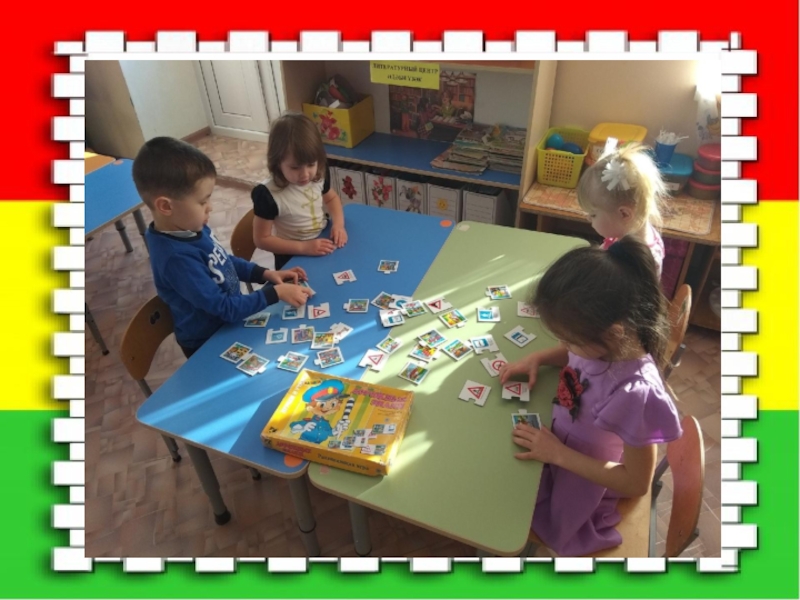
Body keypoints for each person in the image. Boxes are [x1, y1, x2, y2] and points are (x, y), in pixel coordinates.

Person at [500, 237, 682, 556]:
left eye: (569, 339)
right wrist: (539, 358)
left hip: (582, 481)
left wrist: (558, 455)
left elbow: (637, 483)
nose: (566, 346)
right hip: (559, 450)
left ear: (612, 333)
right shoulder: (605, 343)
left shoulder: (636, 394)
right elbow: (577, 354)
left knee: (508, 512)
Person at [132, 137, 312, 358]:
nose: (210, 207)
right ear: (166, 206)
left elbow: (223, 261)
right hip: (207, 344)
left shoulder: (189, 226)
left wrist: (264, 274)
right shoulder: (176, 259)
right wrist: (274, 293)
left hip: (229, 324)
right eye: (202, 202)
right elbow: (225, 308)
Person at [251, 113, 348, 270]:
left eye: (311, 165)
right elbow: (262, 239)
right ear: (277, 163)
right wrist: (304, 248)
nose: (305, 175)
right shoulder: (267, 194)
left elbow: (331, 199)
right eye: (295, 167)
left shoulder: (319, 173)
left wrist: (338, 225)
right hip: (291, 256)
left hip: (322, 240)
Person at [577, 143, 667, 277]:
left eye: (593, 215)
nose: (588, 218)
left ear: (624, 214)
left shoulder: (638, 261)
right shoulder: (630, 234)